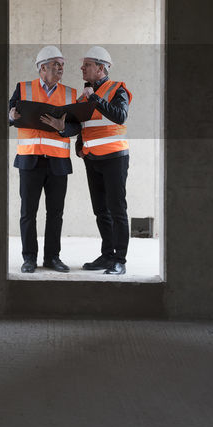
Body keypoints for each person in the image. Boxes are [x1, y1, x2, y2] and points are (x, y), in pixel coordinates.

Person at [8, 46, 79, 273]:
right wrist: (10, 116)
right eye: (56, 64)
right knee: (28, 212)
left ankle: (52, 258)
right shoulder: (23, 89)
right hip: (30, 160)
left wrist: (63, 128)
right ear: (42, 68)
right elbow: (10, 113)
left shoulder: (70, 94)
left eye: (62, 65)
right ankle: (29, 258)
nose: (60, 68)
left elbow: (76, 126)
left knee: (55, 213)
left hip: (57, 162)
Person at [76, 46, 131, 275]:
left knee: (117, 209)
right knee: (101, 210)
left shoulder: (117, 89)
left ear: (101, 68)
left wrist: (95, 98)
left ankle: (120, 260)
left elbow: (120, 116)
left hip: (114, 158)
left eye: (87, 65)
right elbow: (82, 124)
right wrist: (79, 145)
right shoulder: (83, 96)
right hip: (92, 159)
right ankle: (107, 255)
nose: (82, 68)